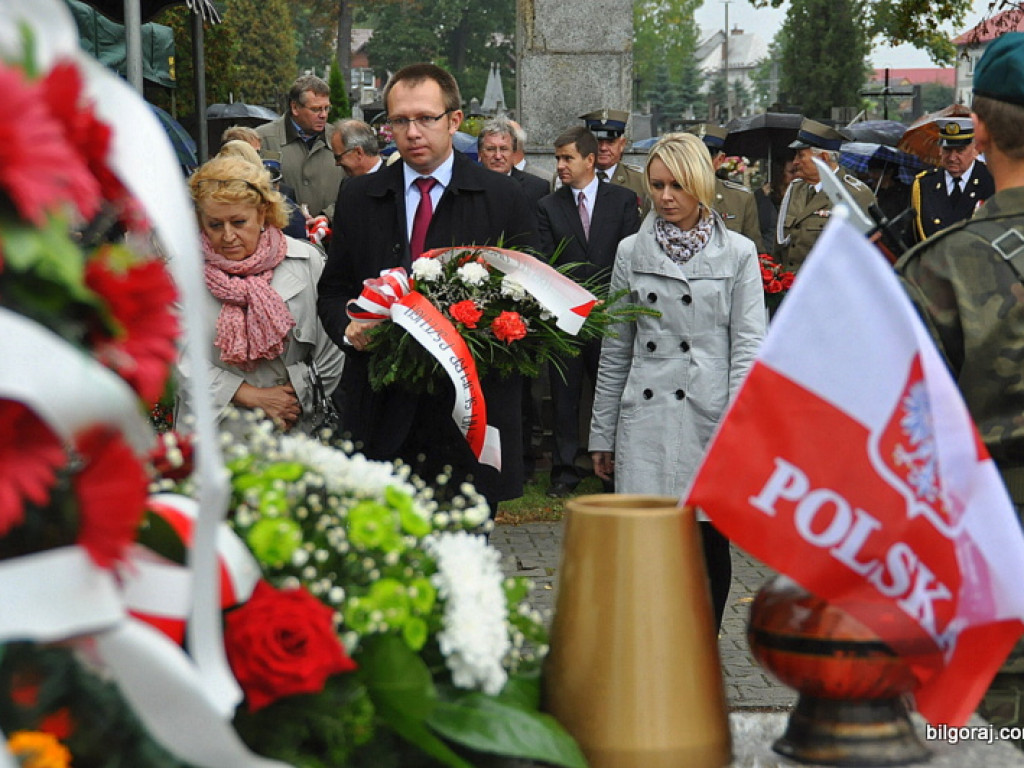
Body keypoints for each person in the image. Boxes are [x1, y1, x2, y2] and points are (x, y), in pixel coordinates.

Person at [317, 63, 538, 511]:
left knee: (465, 561)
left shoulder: (503, 198)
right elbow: (333, 290)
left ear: (454, 121)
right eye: (400, 121)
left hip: (469, 417)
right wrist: (350, 327)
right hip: (382, 413)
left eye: (425, 118)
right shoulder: (360, 197)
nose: (413, 132)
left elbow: (532, 301)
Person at [896, 32, 1024, 743]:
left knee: (969, 751)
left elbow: (902, 450)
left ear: (979, 127)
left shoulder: (942, 270)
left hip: (984, 605)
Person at [589, 133, 766, 631]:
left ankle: (701, 649)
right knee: (646, 540)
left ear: (701, 185)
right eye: (658, 184)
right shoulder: (631, 251)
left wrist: (738, 433)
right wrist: (602, 434)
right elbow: (616, 346)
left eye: (678, 186)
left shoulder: (739, 254)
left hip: (711, 415)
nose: (666, 196)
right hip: (645, 417)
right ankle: (650, 645)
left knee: (709, 542)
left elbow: (749, 349)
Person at [176, 155, 343, 435]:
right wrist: (250, 396)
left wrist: (292, 398)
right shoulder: (180, 274)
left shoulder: (307, 261)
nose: (228, 236)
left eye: (239, 222)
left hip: (292, 425)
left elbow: (332, 346)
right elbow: (175, 359)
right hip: (214, 433)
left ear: (263, 213)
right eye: (215, 225)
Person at [538, 126, 640, 497]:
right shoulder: (548, 206)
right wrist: (573, 299)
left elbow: (627, 255)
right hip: (566, 319)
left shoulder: (624, 200)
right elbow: (546, 263)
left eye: (567, 158)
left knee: (611, 394)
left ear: (590, 160)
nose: (561, 166)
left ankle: (614, 470)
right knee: (564, 398)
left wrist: (607, 300)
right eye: (558, 159)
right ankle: (564, 472)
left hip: (611, 317)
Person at [777, 118, 876, 273]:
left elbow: (865, 257)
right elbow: (781, 246)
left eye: (801, 155)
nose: (795, 161)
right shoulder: (796, 189)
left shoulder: (856, 194)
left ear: (822, 158)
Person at [256, 74, 345, 224]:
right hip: (283, 236)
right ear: (295, 107)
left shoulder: (339, 139)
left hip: (331, 237)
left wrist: (328, 215)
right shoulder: (262, 139)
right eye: (316, 109)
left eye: (327, 108)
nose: (323, 115)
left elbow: (354, 188)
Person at [909, 117, 995, 243]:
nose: (952, 157)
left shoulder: (991, 180)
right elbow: (913, 237)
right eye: (947, 150)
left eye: (960, 151)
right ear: (939, 150)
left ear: (975, 149)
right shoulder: (924, 184)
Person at [692, 123, 764, 252]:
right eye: (692, 154)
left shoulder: (740, 199)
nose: (698, 161)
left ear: (719, 160)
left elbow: (755, 253)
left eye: (707, 154)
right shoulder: (666, 196)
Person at [580, 108, 651, 216]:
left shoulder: (640, 181)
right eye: (598, 141)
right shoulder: (571, 177)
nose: (603, 148)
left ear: (622, 144)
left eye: (610, 142)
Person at [478, 117, 548, 205]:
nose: (498, 156)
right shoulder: (466, 185)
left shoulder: (537, 188)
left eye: (504, 149)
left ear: (513, 153)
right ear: (480, 153)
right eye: (491, 149)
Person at [754, 154, 797, 255]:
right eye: (791, 172)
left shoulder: (799, 195)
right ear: (780, 173)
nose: (795, 176)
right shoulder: (762, 196)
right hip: (767, 254)